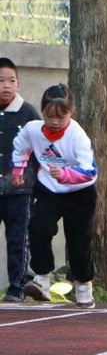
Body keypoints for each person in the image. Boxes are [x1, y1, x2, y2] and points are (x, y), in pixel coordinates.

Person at [13, 84, 97, 307]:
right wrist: (18, 170)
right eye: (49, 116)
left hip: (79, 192)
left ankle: (83, 285)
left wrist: (66, 174)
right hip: (49, 189)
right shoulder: (33, 130)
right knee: (38, 226)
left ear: (72, 112)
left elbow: (90, 171)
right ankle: (42, 278)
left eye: (62, 116)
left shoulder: (78, 136)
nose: (55, 122)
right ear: (42, 111)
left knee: (79, 241)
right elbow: (20, 146)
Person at [0, 59, 41, 302]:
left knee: (18, 240)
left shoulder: (29, 113)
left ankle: (17, 288)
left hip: (20, 190)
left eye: (11, 81)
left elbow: (40, 150)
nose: (6, 86)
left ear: (18, 83)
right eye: (0, 81)